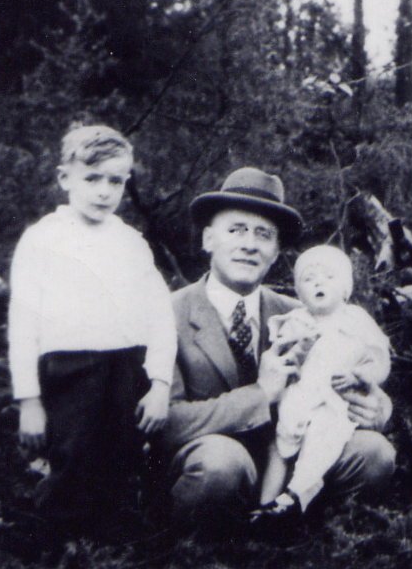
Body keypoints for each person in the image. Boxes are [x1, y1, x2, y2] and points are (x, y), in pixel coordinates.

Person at [150, 168, 396, 531]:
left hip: (290, 460)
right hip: (211, 468)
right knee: (222, 462)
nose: (249, 244)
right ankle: (208, 554)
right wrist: (262, 394)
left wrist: (376, 406)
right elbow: (164, 424)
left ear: (276, 250)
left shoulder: (301, 313)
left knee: (374, 453)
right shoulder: (167, 315)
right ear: (208, 239)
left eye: (263, 234)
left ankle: (306, 540)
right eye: (236, 230)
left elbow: (361, 366)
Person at [7, 124, 176, 536]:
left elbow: (160, 315)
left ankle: (107, 563)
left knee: (120, 463)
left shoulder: (131, 242)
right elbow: (23, 322)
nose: (104, 192)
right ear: (65, 178)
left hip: (124, 370)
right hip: (69, 372)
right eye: (92, 178)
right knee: (72, 463)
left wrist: (159, 384)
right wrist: (29, 400)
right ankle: (54, 560)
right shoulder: (43, 239)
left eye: (115, 181)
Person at [254, 244, 392, 520]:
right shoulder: (295, 319)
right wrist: (297, 350)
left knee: (321, 440)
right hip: (298, 395)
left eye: (329, 277)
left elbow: (379, 360)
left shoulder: (356, 319)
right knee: (278, 444)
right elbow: (279, 360)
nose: (318, 282)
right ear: (299, 293)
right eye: (308, 278)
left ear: (346, 288)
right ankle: (264, 505)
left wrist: (360, 378)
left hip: (335, 399)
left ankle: (296, 494)